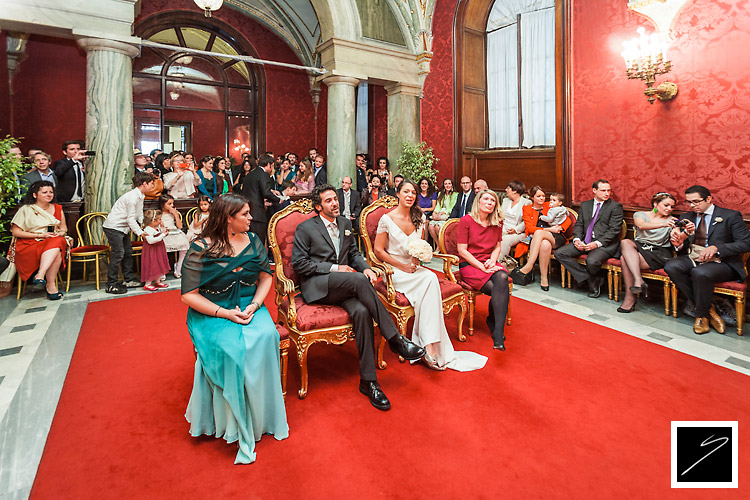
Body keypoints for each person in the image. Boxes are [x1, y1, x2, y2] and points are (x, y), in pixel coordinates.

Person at [291, 184, 425, 411]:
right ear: (318, 206)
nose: (335, 203)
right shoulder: (305, 228)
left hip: (343, 287)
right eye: (329, 201)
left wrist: (365, 268)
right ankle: (395, 339)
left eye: (335, 199)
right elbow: (299, 264)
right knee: (359, 282)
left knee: (362, 312)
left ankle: (369, 381)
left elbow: (353, 254)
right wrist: (334, 268)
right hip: (317, 286)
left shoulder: (345, 223)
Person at [181, 193, 288, 464]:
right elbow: (189, 295)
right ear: (228, 219)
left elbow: (265, 277)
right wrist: (224, 313)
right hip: (212, 310)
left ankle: (262, 416)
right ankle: (232, 421)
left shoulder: (253, 241)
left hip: (248, 304)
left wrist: (255, 305)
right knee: (231, 350)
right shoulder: (200, 248)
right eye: (245, 215)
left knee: (266, 336)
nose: (251, 218)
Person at [373, 180, 487, 371]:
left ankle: (428, 346)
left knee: (430, 279)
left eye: (413, 192)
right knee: (430, 278)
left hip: (414, 271)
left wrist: (418, 259)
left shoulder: (419, 217)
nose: (410, 195)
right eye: (406, 192)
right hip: (395, 272)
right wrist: (402, 266)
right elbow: (378, 251)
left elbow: (420, 247)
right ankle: (430, 346)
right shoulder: (386, 219)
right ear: (398, 195)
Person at [665, 185, 750, 334]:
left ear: (709, 199)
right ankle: (709, 308)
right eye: (689, 202)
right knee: (671, 266)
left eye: (696, 201)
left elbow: (746, 243)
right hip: (694, 257)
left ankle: (701, 316)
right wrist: (678, 244)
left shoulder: (730, 216)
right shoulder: (686, 217)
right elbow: (682, 244)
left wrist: (717, 248)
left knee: (700, 273)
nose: (692, 205)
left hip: (722, 262)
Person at [457, 189, 510, 350]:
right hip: (470, 264)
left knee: (501, 277)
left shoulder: (497, 222)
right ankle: (494, 326)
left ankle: (498, 332)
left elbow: (497, 246)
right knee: (499, 289)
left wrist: (492, 261)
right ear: (478, 202)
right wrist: (481, 266)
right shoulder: (466, 220)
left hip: (488, 261)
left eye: (492, 200)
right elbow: (462, 251)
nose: (489, 202)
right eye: (486, 199)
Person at [554, 179, 624, 298]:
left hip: (605, 244)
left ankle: (592, 282)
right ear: (594, 190)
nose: (606, 193)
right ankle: (591, 279)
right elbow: (579, 224)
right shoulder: (585, 205)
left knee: (591, 261)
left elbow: (613, 231)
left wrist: (596, 244)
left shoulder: (615, 207)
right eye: (603, 190)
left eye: (608, 190)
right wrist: (576, 239)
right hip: (584, 241)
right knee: (560, 253)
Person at [618, 192, 678, 313]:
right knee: (625, 242)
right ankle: (638, 280)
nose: (669, 209)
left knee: (624, 259)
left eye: (672, 207)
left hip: (659, 251)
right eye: (666, 205)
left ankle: (630, 297)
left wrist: (679, 233)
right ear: (655, 204)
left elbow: (677, 236)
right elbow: (641, 225)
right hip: (640, 247)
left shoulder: (672, 220)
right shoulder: (640, 214)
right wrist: (662, 224)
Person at [10, 181, 68, 299]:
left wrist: (60, 233)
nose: (49, 194)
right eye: (45, 192)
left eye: (51, 192)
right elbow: (16, 232)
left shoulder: (57, 208)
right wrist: (41, 235)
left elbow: (64, 228)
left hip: (51, 241)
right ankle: (50, 286)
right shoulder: (26, 209)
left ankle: (40, 276)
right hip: (29, 243)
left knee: (58, 241)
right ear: (35, 195)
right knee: (57, 248)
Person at [101, 171, 156, 294]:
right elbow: (130, 219)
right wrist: (140, 233)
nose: (153, 186)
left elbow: (139, 213)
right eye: (151, 184)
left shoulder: (140, 195)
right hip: (114, 227)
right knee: (118, 254)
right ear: (144, 183)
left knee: (128, 252)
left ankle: (128, 279)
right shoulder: (132, 197)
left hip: (123, 228)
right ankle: (111, 284)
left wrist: (144, 225)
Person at [511, 186, 572, 290]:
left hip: (556, 237)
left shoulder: (550, 205)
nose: (542, 198)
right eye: (538, 196)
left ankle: (529, 266)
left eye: (543, 196)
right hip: (540, 238)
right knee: (544, 244)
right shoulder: (527, 209)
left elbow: (567, 218)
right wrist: (550, 230)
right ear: (532, 197)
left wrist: (560, 227)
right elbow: (529, 228)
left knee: (539, 233)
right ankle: (544, 279)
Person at [240, 153, 279, 245]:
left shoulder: (251, 173)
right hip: (258, 213)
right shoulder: (264, 174)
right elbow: (266, 192)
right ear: (268, 164)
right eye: (272, 166)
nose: (272, 169)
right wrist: (278, 199)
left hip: (247, 211)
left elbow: (253, 191)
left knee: (248, 241)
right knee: (259, 242)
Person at [158, 194, 190, 278]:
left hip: (174, 232)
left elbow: (180, 227)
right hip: (164, 233)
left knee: (184, 245)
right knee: (161, 247)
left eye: (172, 203)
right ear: (162, 205)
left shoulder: (173, 213)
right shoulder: (159, 214)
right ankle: (162, 270)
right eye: (169, 204)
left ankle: (179, 266)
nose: (172, 206)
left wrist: (176, 215)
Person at [498, 180, 531, 260]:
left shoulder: (527, 202)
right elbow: (500, 216)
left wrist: (515, 230)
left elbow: (527, 221)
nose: (506, 190)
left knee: (505, 240)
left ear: (515, 191)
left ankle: (499, 264)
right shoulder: (506, 201)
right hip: (503, 228)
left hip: (518, 232)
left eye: (508, 188)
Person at [140, 209, 171, 291]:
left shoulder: (155, 227)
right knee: (151, 265)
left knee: (158, 263)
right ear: (154, 221)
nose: (161, 221)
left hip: (157, 249)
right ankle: (148, 284)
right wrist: (163, 235)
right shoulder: (147, 229)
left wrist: (164, 230)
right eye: (159, 219)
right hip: (151, 250)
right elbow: (151, 241)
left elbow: (158, 234)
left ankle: (157, 280)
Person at [427, 178, 457, 243]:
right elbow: (438, 206)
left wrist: (442, 213)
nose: (447, 185)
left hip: (448, 214)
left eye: (449, 183)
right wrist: (435, 212)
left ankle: (442, 245)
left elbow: (452, 207)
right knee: (430, 226)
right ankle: (438, 245)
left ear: (452, 185)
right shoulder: (440, 194)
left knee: (437, 227)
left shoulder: (455, 194)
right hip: (440, 213)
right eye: (445, 184)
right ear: (443, 185)